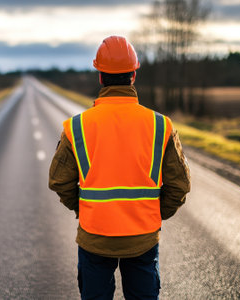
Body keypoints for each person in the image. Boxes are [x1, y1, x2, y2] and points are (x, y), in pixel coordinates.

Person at [48, 35, 191, 300]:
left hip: (95, 237)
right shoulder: (161, 125)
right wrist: (154, 214)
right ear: (133, 75)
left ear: (100, 76)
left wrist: (84, 208)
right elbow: (180, 184)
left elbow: (59, 180)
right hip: (143, 238)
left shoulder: (77, 126)